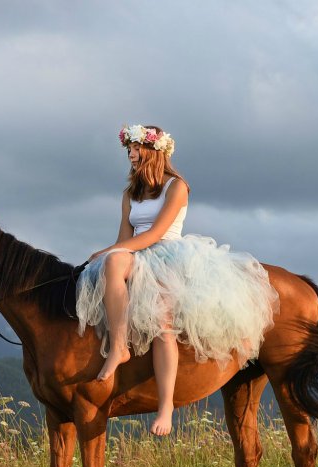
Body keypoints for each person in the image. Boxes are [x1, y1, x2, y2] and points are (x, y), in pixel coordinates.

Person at [76, 124, 279, 436]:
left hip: (168, 257)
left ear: (155, 151)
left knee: (162, 324)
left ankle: (166, 407)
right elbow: (124, 237)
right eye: (128, 149)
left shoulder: (176, 187)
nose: (131, 154)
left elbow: (156, 234)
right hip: (134, 255)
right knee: (112, 265)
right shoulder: (130, 194)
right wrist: (110, 253)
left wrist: (108, 251)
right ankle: (118, 347)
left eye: (136, 148)